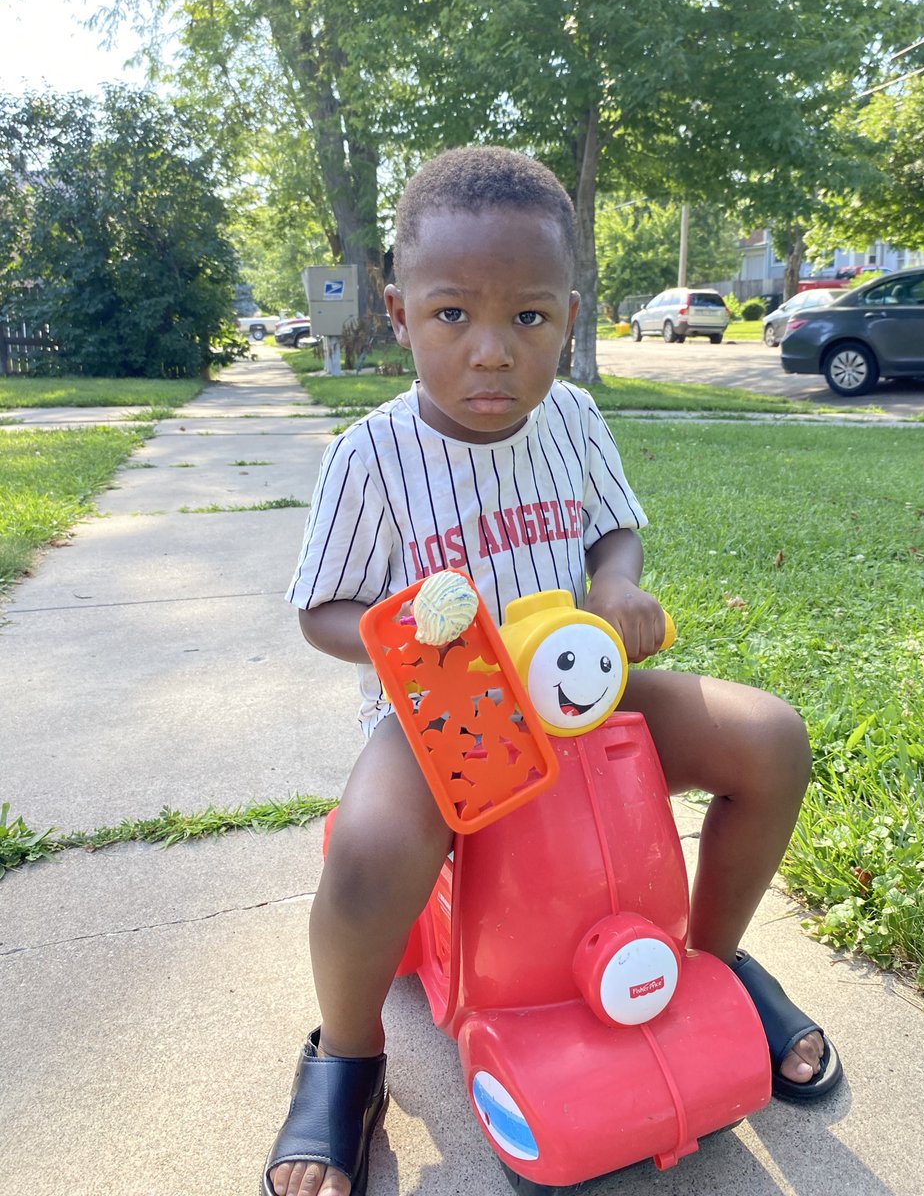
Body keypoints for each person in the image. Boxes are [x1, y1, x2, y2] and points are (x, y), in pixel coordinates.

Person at [266, 146, 842, 1196]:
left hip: (583, 690)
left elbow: (612, 531)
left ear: (567, 319)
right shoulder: (372, 456)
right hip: (446, 717)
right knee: (370, 853)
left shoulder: (570, 420)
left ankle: (713, 960)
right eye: (452, 316)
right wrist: (415, 638)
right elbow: (320, 610)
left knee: (769, 737)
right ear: (398, 314)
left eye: (526, 319)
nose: (491, 352)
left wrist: (616, 588)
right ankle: (345, 1059)